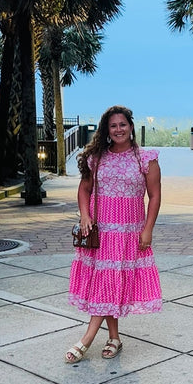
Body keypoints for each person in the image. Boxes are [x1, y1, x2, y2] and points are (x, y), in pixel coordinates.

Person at [66, 105, 162, 362]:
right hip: (101, 233)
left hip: (129, 233)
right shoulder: (97, 158)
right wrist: (85, 216)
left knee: (111, 283)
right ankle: (114, 338)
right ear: (106, 131)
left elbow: (154, 196)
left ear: (131, 127)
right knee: (107, 284)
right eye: (113, 126)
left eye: (123, 124)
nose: (118, 129)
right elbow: (84, 189)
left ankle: (86, 339)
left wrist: (148, 229)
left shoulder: (146, 158)